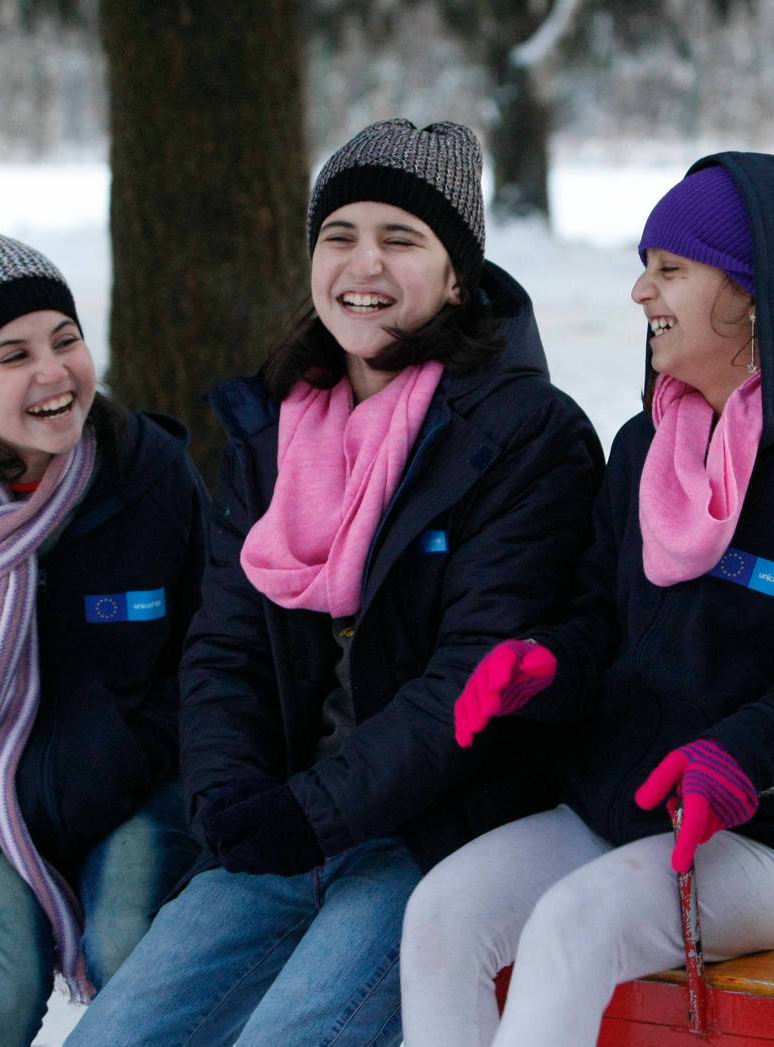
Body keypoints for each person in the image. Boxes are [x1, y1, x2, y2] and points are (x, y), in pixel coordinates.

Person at [65, 119, 602, 1047]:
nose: (364, 264)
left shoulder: (528, 435)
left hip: (435, 837)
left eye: (402, 239)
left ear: (457, 274)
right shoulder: (278, 425)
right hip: (283, 821)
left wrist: (312, 814)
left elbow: (471, 678)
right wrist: (231, 797)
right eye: (339, 235)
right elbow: (225, 638)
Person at [398, 155, 774, 1047]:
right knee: (442, 910)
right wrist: (545, 665)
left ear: (758, 295)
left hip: (767, 838)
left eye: (669, 269)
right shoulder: (646, 445)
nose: (641, 292)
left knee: (572, 926)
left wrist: (740, 753)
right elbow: (603, 611)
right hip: (616, 807)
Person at [0, 226, 207, 1047]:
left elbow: (211, 642)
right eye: (13, 355)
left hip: (139, 785)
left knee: (125, 945)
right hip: (0, 803)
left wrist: (129, 752)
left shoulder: (151, 472)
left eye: (65, 339)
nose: (54, 371)